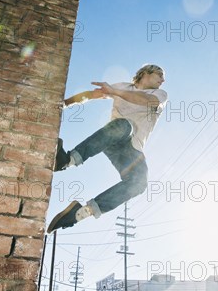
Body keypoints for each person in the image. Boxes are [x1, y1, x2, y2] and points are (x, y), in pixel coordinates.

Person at [47, 64, 167, 233]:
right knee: (124, 125)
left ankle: (79, 213)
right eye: (159, 75)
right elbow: (90, 95)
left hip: (133, 150)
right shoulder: (123, 86)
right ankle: (67, 161)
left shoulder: (159, 94)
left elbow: (146, 101)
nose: (163, 80)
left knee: (139, 183)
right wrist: (64, 104)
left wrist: (114, 92)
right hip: (115, 137)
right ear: (146, 73)